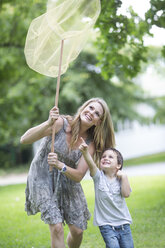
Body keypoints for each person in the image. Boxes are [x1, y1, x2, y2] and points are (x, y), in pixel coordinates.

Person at [20, 98, 115, 248]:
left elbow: (78, 175)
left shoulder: (89, 143)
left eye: (96, 113)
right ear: (83, 108)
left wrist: (60, 165)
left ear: (98, 121)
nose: (91, 113)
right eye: (90, 108)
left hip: (67, 178)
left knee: (77, 231)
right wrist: (48, 122)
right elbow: (24, 139)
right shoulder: (60, 123)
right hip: (42, 177)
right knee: (57, 227)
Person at [79, 138, 134, 248]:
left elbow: (126, 194)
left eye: (110, 157)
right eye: (103, 157)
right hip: (106, 225)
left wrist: (124, 177)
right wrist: (85, 153)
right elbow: (91, 164)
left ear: (118, 165)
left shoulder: (121, 179)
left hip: (123, 224)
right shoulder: (98, 177)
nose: (105, 158)